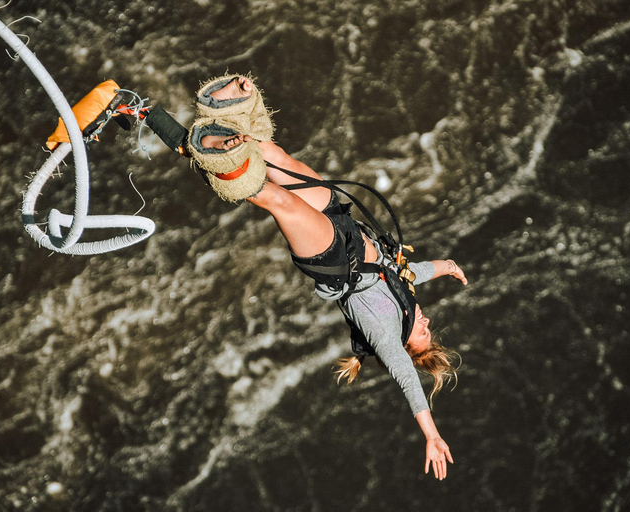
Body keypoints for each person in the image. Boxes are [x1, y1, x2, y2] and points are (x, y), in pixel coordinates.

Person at [187, 75, 468, 481]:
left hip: (334, 256)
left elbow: (408, 380)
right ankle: (225, 112)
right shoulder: (405, 295)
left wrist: (431, 432)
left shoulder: (385, 333)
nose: (426, 323)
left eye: (426, 334)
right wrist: (448, 266)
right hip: (344, 222)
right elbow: (415, 272)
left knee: (276, 199)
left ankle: (208, 150)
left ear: (410, 344)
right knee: (279, 159)